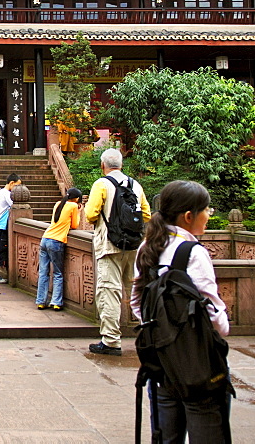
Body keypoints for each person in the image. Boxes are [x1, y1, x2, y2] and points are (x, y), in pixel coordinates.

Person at [131, 180, 230, 441]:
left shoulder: (147, 247)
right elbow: (212, 311)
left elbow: (137, 302)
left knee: (166, 434)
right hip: (197, 361)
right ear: (189, 216)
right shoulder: (193, 252)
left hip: (161, 359)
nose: (209, 216)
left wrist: (163, 332)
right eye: (207, 210)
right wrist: (221, 329)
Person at [85, 147, 151, 355]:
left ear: (102, 165)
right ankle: (153, 333)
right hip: (133, 245)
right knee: (137, 290)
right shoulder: (135, 184)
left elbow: (90, 214)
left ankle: (111, 340)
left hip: (109, 245)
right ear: (121, 164)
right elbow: (146, 214)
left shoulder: (102, 184)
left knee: (109, 291)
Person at [36, 187, 83, 310]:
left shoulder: (58, 203)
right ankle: (56, 302)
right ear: (77, 199)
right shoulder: (73, 206)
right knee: (57, 273)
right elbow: (75, 225)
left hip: (45, 238)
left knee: (43, 272)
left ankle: (41, 301)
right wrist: (78, 211)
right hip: (56, 241)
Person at [0, 173, 22, 284]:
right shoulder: (6, 193)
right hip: (0, 226)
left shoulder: (1, 192)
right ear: (12, 183)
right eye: (17, 186)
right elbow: (15, 205)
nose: (18, 190)